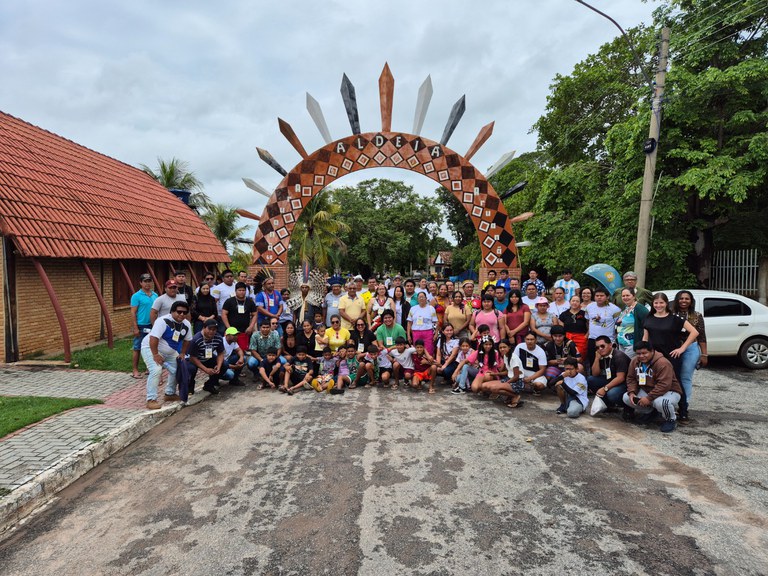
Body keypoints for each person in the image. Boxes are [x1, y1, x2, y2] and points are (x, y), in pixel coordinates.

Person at [140, 301, 192, 410]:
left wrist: (182, 353)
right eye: (179, 312)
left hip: (170, 351)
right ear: (172, 311)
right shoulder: (162, 321)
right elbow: (153, 338)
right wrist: (155, 355)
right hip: (150, 347)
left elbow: (187, 340)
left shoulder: (186, 324)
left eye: (184, 312)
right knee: (156, 370)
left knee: (177, 368)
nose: (182, 314)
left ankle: (169, 393)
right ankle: (151, 399)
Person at [623, 340, 683, 433]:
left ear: (652, 351)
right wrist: (632, 392)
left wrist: (648, 398)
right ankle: (650, 412)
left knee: (662, 402)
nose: (641, 356)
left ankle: (670, 419)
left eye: (644, 353)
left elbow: (664, 385)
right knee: (627, 397)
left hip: (669, 391)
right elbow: (631, 378)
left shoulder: (663, 363)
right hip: (648, 390)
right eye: (638, 353)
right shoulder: (635, 361)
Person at [672, 290, 708, 422]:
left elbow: (702, 336)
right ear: (677, 300)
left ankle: (684, 407)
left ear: (691, 301)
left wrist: (704, 354)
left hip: (691, 349)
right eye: (681, 298)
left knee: (685, 377)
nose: (684, 301)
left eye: (687, 299)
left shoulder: (697, 316)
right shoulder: (671, 314)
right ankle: (670, 404)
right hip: (674, 348)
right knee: (672, 376)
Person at [587, 335, 630, 410]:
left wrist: (605, 388)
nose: (600, 349)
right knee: (591, 380)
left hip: (625, 384)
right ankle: (609, 405)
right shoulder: (602, 356)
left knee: (612, 394)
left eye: (602, 346)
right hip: (611, 379)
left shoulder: (619, 356)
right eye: (597, 347)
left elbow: (621, 378)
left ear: (610, 345)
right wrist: (597, 359)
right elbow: (595, 374)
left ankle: (628, 408)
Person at [478, 339, 524, 408]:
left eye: (504, 347)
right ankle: (510, 396)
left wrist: (506, 383)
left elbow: (516, 376)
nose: (502, 349)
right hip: (509, 379)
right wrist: (494, 374)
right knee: (484, 385)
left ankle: (515, 396)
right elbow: (507, 371)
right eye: (500, 348)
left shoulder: (514, 358)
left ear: (509, 347)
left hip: (517, 382)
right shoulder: (505, 355)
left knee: (494, 388)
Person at [186, 319, 226, 395]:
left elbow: (220, 353)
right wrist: (205, 369)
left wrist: (219, 366)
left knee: (224, 365)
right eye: (209, 329)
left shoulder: (218, 338)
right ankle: (190, 387)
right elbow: (192, 357)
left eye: (214, 330)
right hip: (194, 359)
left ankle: (209, 385)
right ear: (204, 328)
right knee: (191, 369)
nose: (211, 331)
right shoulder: (196, 339)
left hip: (208, 357)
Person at [130, 273, 157, 379]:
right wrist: (135, 327)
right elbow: (133, 312)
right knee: (137, 348)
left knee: (152, 347)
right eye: (145, 281)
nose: (147, 283)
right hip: (141, 325)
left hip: (152, 325)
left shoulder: (155, 295)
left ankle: (149, 368)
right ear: (141, 283)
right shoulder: (136, 296)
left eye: (149, 281)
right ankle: (135, 370)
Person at [585, 287, 621, 368]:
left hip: (608, 340)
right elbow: (587, 320)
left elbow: (618, 324)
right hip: (592, 339)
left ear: (607, 297)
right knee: (593, 362)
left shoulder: (615, 309)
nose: (599, 297)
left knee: (608, 364)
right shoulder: (589, 307)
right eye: (597, 295)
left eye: (602, 295)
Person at [221, 282, 257, 352]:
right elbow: (224, 314)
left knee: (243, 350)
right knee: (230, 350)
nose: (241, 292)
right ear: (235, 291)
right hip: (231, 330)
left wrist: (251, 327)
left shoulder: (250, 302)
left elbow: (255, 314)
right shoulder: (229, 301)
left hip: (245, 330)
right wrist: (229, 328)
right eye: (239, 290)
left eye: (243, 290)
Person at [616, 287, 649, 359]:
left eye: (627, 295)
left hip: (632, 345)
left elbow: (647, 325)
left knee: (628, 366)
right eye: (623, 296)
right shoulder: (626, 308)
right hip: (622, 344)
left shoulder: (639, 309)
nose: (625, 298)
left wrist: (643, 342)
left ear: (634, 296)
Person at [559, 295, 588, 361]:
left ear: (580, 303)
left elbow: (589, 327)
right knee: (567, 356)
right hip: (567, 338)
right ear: (569, 302)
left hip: (581, 339)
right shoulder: (564, 314)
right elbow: (561, 329)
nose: (575, 303)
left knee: (579, 358)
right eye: (573, 301)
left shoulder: (584, 314)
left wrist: (585, 337)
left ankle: (580, 370)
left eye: (577, 301)